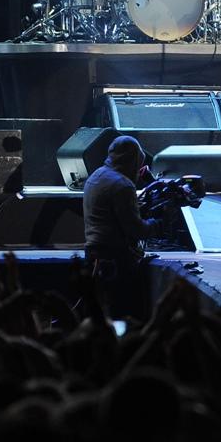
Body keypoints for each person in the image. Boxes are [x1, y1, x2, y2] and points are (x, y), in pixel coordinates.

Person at [82, 135, 160, 316]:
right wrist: (156, 225)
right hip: (116, 260)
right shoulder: (122, 185)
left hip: (93, 254)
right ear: (134, 159)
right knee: (123, 312)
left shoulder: (97, 175)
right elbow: (136, 229)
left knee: (99, 313)